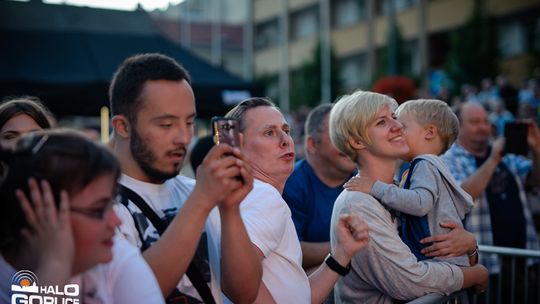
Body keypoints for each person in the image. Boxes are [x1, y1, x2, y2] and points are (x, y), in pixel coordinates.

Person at [109, 53, 261, 304]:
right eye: (166, 125)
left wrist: (230, 208)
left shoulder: (195, 190)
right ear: (123, 126)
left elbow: (244, 294)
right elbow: (134, 294)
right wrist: (202, 200)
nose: (183, 137)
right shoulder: (99, 204)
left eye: (189, 122)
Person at [329, 90, 488, 303]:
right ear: (357, 142)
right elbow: (411, 282)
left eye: (394, 117)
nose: (398, 126)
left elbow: (436, 251)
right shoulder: (357, 203)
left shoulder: (401, 190)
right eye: (381, 122)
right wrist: (476, 274)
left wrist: (469, 248)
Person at [224, 97, 370, 304]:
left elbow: (299, 297)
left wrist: (341, 254)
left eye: (286, 130)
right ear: (237, 146)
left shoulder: (244, 196)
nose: (285, 139)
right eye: (269, 133)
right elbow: (234, 280)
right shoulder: (263, 196)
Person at [0, 129, 164, 303]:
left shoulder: (117, 260)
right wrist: (55, 266)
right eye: (98, 210)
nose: (116, 221)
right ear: (38, 212)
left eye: (113, 204)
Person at [344, 99, 474, 266]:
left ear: (429, 132)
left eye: (403, 127)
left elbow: (420, 203)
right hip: (445, 263)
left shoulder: (425, 164)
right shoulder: (430, 165)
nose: (398, 130)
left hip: (441, 262)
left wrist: (374, 187)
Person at [442, 102, 540, 302]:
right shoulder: (449, 159)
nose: (483, 126)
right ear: (458, 126)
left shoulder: (507, 155)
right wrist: (493, 159)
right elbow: (464, 196)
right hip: (483, 262)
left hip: (521, 257)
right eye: (475, 121)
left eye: (486, 121)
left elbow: (536, 179)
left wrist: (538, 149)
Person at [283, 103, 356, 271]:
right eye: (338, 133)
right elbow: (288, 251)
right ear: (312, 144)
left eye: (353, 132)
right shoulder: (290, 183)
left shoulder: (365, 180)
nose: (351, 141)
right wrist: (351, 246)